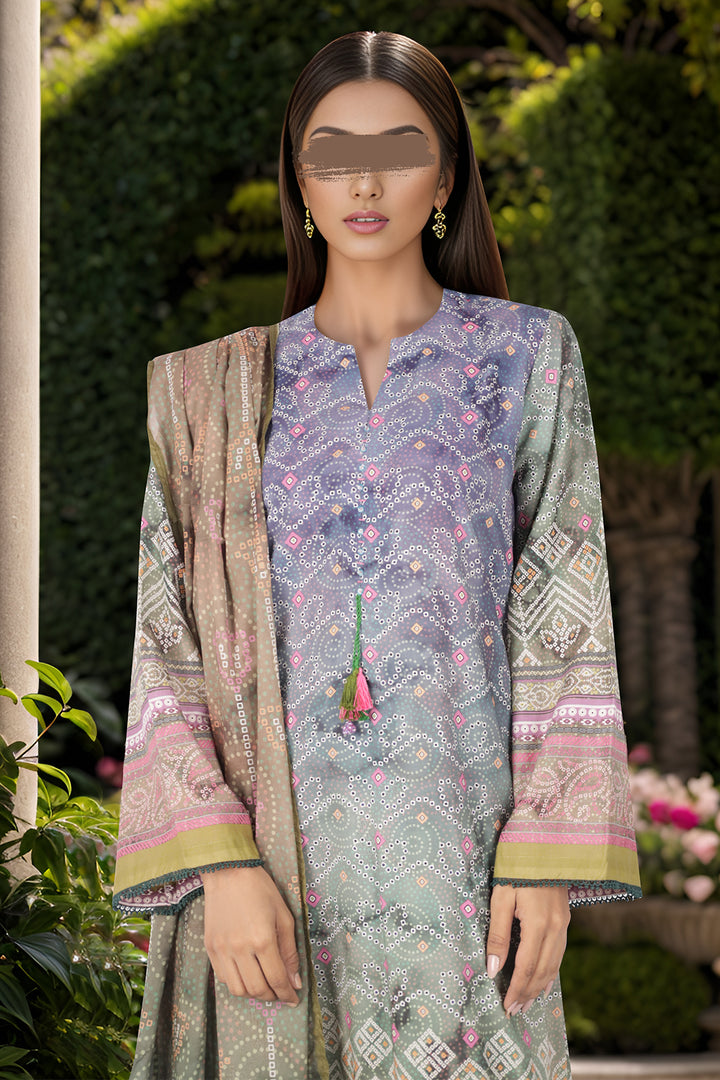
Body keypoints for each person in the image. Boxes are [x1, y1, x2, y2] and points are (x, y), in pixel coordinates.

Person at [113, 30, 641, 1080]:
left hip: (463, 872)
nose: (364, 182)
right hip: (268, 882)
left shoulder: (526, 358)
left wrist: (542, 859)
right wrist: (220, 867)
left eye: (398, 150)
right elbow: (166, 643)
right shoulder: (214, 393)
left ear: (445, 177)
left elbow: (566, 620)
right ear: (299, 180)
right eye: (332, 154)